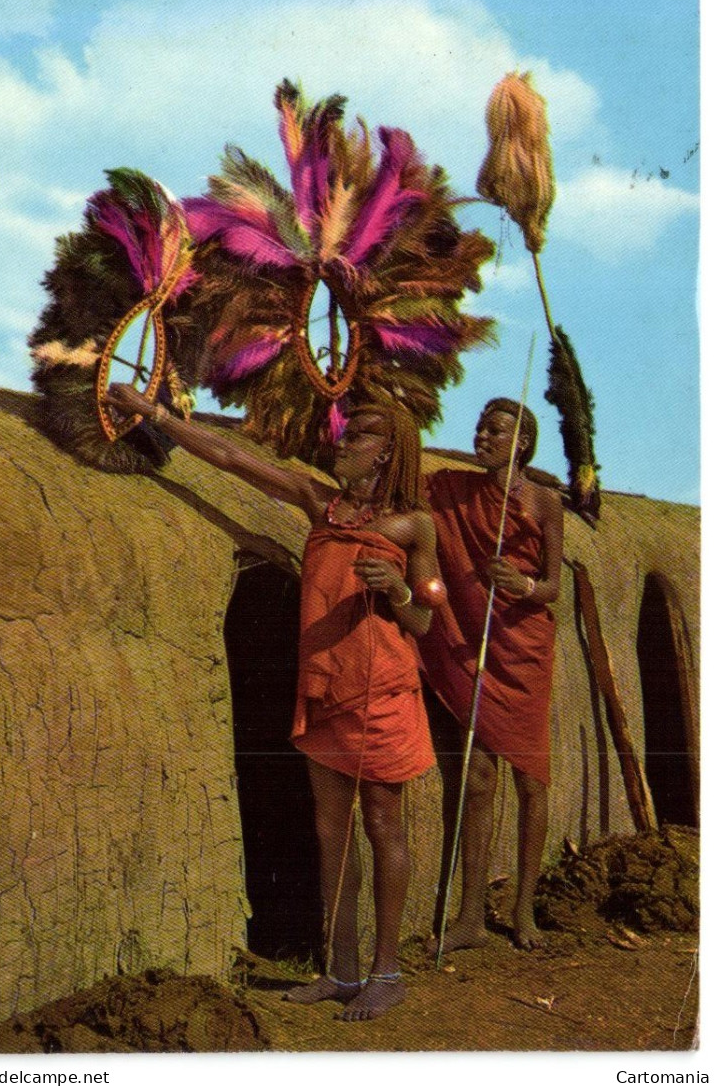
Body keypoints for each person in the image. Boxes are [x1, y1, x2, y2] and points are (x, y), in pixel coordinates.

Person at [105, 384, 442, 1020]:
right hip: (324, 691)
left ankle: (387, 972)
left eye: (359, 436)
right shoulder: (321, 503)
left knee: (382, 824)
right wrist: (156, 417)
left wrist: (398, 587)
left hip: (382, 693)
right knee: (330, 832)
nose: (342, 443)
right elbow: (236, 461)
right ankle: (340, 969)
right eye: (346, 433)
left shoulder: (415, 525)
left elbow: (427, 617)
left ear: (386, 453)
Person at [418, 398, 563, 952]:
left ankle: (524, 914)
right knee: (477, 775)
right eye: (479, 426)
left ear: (521, 443)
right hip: (475, 645)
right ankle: (469, 918)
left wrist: (521, 585)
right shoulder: (455, 489)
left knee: (531, 778)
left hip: (522, 647)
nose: (483, 435)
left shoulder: (546, 502)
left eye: (496, 429)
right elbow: (411, 484)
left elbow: (552, 585)